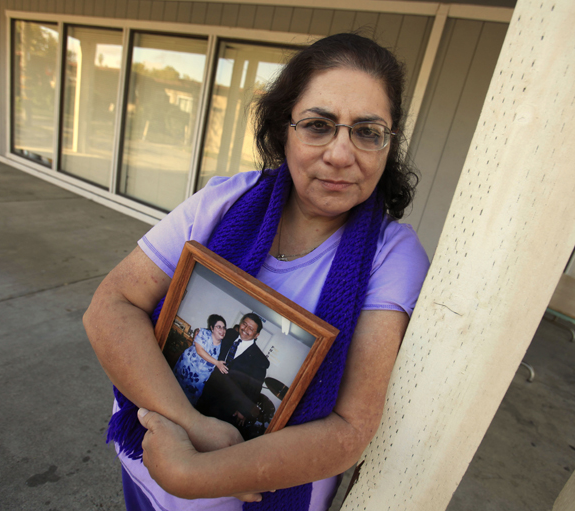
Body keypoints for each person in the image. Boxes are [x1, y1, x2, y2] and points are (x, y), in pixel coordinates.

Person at [84, 32, 430, 511]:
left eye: (368, 132)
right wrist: (194, 425)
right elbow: (111, 306)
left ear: (387, 145)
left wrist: (192, 472)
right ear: (281, 128)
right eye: (318, 125)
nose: (340, 154)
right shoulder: (223, 202)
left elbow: (350, 429)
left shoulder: (393, 259)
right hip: (145, 473)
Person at [196, 313, 270, 429]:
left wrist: (244, 410)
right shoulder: (229, 334)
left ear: (256, 335)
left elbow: (255, 388)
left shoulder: (260, 359)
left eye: (251, 328)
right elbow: (211, 335)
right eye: (244, 324)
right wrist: (199, 332)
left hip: (228, 404)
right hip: (208, 391)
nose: (245, 329)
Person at [172, 314, 229, 406]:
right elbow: (200, 351)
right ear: (212, 328)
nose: (222, 330)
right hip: (184, 370)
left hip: (197, 381)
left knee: (186, 404)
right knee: (172, 392)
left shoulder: (223, 345)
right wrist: (217, 363)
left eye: (224, 328)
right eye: (219, 327)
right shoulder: (203, 333)